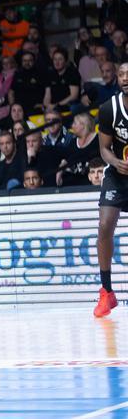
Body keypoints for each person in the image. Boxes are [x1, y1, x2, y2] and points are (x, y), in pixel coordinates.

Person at [95, 63, 128, 317]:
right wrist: (116, 162)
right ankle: (106, 292)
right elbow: (104, 148)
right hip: (117, 174)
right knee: (106, 225)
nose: (125, 78)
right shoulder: (109, 109)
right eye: (121, 75)